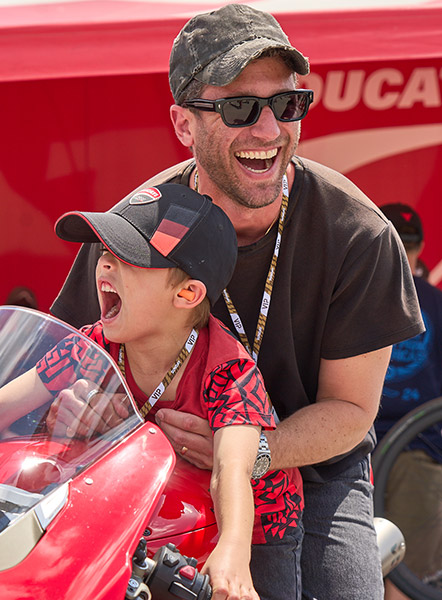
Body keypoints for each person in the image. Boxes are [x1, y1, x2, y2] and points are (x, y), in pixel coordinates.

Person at [50, 5, 425, 599]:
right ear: (183, 124)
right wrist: (78, 409)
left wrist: (254, 452)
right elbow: (65, 363)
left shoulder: (359, 234)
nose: (270, 131)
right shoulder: (131, 229)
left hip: (313, 473)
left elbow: (352, 411)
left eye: (287, 104)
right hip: (147, 462)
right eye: (240, 108)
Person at [0, 183, 304, 600]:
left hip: (254, 527)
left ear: (187, 294)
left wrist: (233, 552)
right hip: (152, 508)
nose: (105, 264)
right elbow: (6, 404)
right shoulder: (90, 346)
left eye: (128, 258)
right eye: (105, 252)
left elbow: (230, 471)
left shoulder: (229, 372)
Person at [376, 203, 442, 600]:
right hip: (347, 448)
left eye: (408, 245)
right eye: (396, 243)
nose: (403, 253)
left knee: (403, 581)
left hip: (415, 447)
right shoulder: (350, 291)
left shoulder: (435, 302)